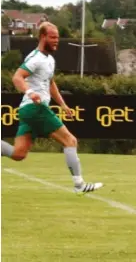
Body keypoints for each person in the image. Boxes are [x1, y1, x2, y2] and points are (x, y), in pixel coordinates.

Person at [0, 22, 103, 193]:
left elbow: (51, 83)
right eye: (53, 37)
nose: (56, 41)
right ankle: (79, 185)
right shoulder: (36, 59)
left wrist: (62, 104)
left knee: (18, 154)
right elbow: (17, 77)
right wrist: (30, 92)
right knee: (70, 141)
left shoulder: (49, 59)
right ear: (42, 37)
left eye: (57, 37)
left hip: (28, 110)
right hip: (35, 108)